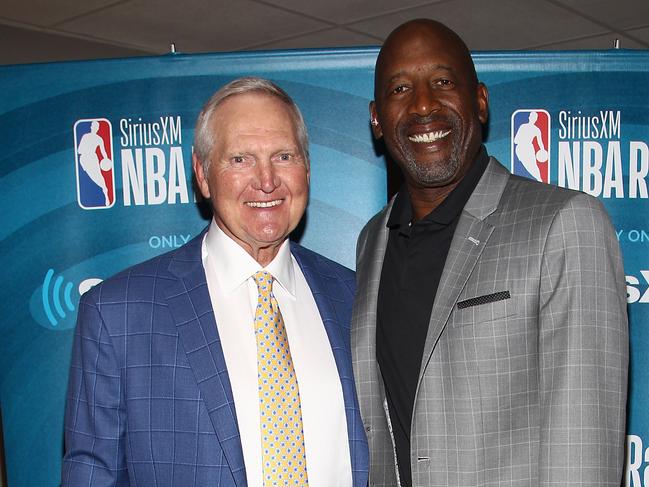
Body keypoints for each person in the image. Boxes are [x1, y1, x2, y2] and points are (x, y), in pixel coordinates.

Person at [352, 19, 628, 487]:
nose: (422, 103)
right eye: (401, 88)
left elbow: (585, 446)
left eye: (442, 81)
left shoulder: (563, 223)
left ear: (479, 101)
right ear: (377, 118)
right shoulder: (371, 241)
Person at [63, 77, 369, 486]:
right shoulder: (117, 314)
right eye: (240, 159)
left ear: (307, 171)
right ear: (203, 174)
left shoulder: (355, 298)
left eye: (283, 156)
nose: (266, 180)